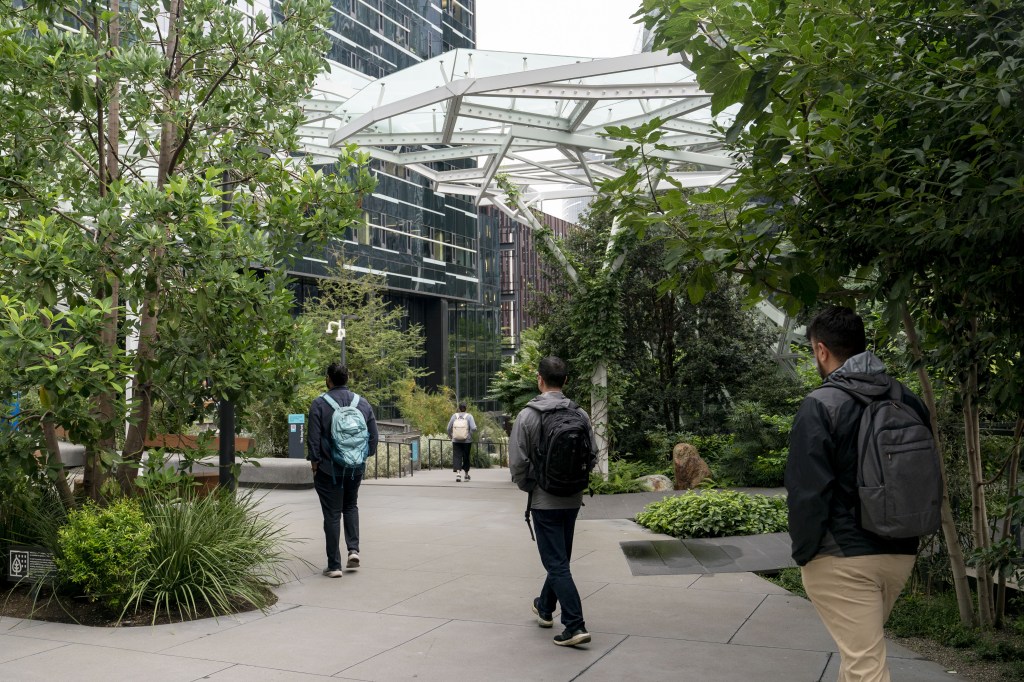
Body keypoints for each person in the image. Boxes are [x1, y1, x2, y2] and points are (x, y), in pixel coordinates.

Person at [786, 306, 929, 682]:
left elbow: (806, 492)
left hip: (841, 557)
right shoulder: (908, 399)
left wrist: (804, 553)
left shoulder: (820, 405)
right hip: (900, 552)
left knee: (866, 667)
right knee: (857, 659)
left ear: (821, 350)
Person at [509, 356, 596, 648]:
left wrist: (530, 486)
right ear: (566, 381)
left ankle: (575, 624)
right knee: (560, 560)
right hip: (572, 499)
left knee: (557, 563)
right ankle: (544, 607)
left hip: (544, 500)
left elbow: (518, 462)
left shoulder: (528, 415)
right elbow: (592, 455)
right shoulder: (580, 414)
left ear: (539, 379)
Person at [307, 363, 378, 578]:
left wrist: (316, 464)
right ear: (347, 378)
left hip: (329, 470)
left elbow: (314, 439)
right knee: (350, 506)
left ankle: (334, 565)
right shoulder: (362, 403)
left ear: (328, 378)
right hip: (355, 468)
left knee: (332, 514)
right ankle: (353, 550)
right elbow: (373, 438)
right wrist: (361, 457)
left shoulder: (319, 404)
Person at [446, 402, 476, 482]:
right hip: (467, 441)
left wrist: (451, 435)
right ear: (466, 408)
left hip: (456, 440)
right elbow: (473, 428)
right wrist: (470, 434)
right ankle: (466, 475)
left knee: (457, 456)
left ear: (459, 408)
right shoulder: (469, 416)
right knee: (466, 456)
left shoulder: (454, 416)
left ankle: (458, 474)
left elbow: (448, 428)